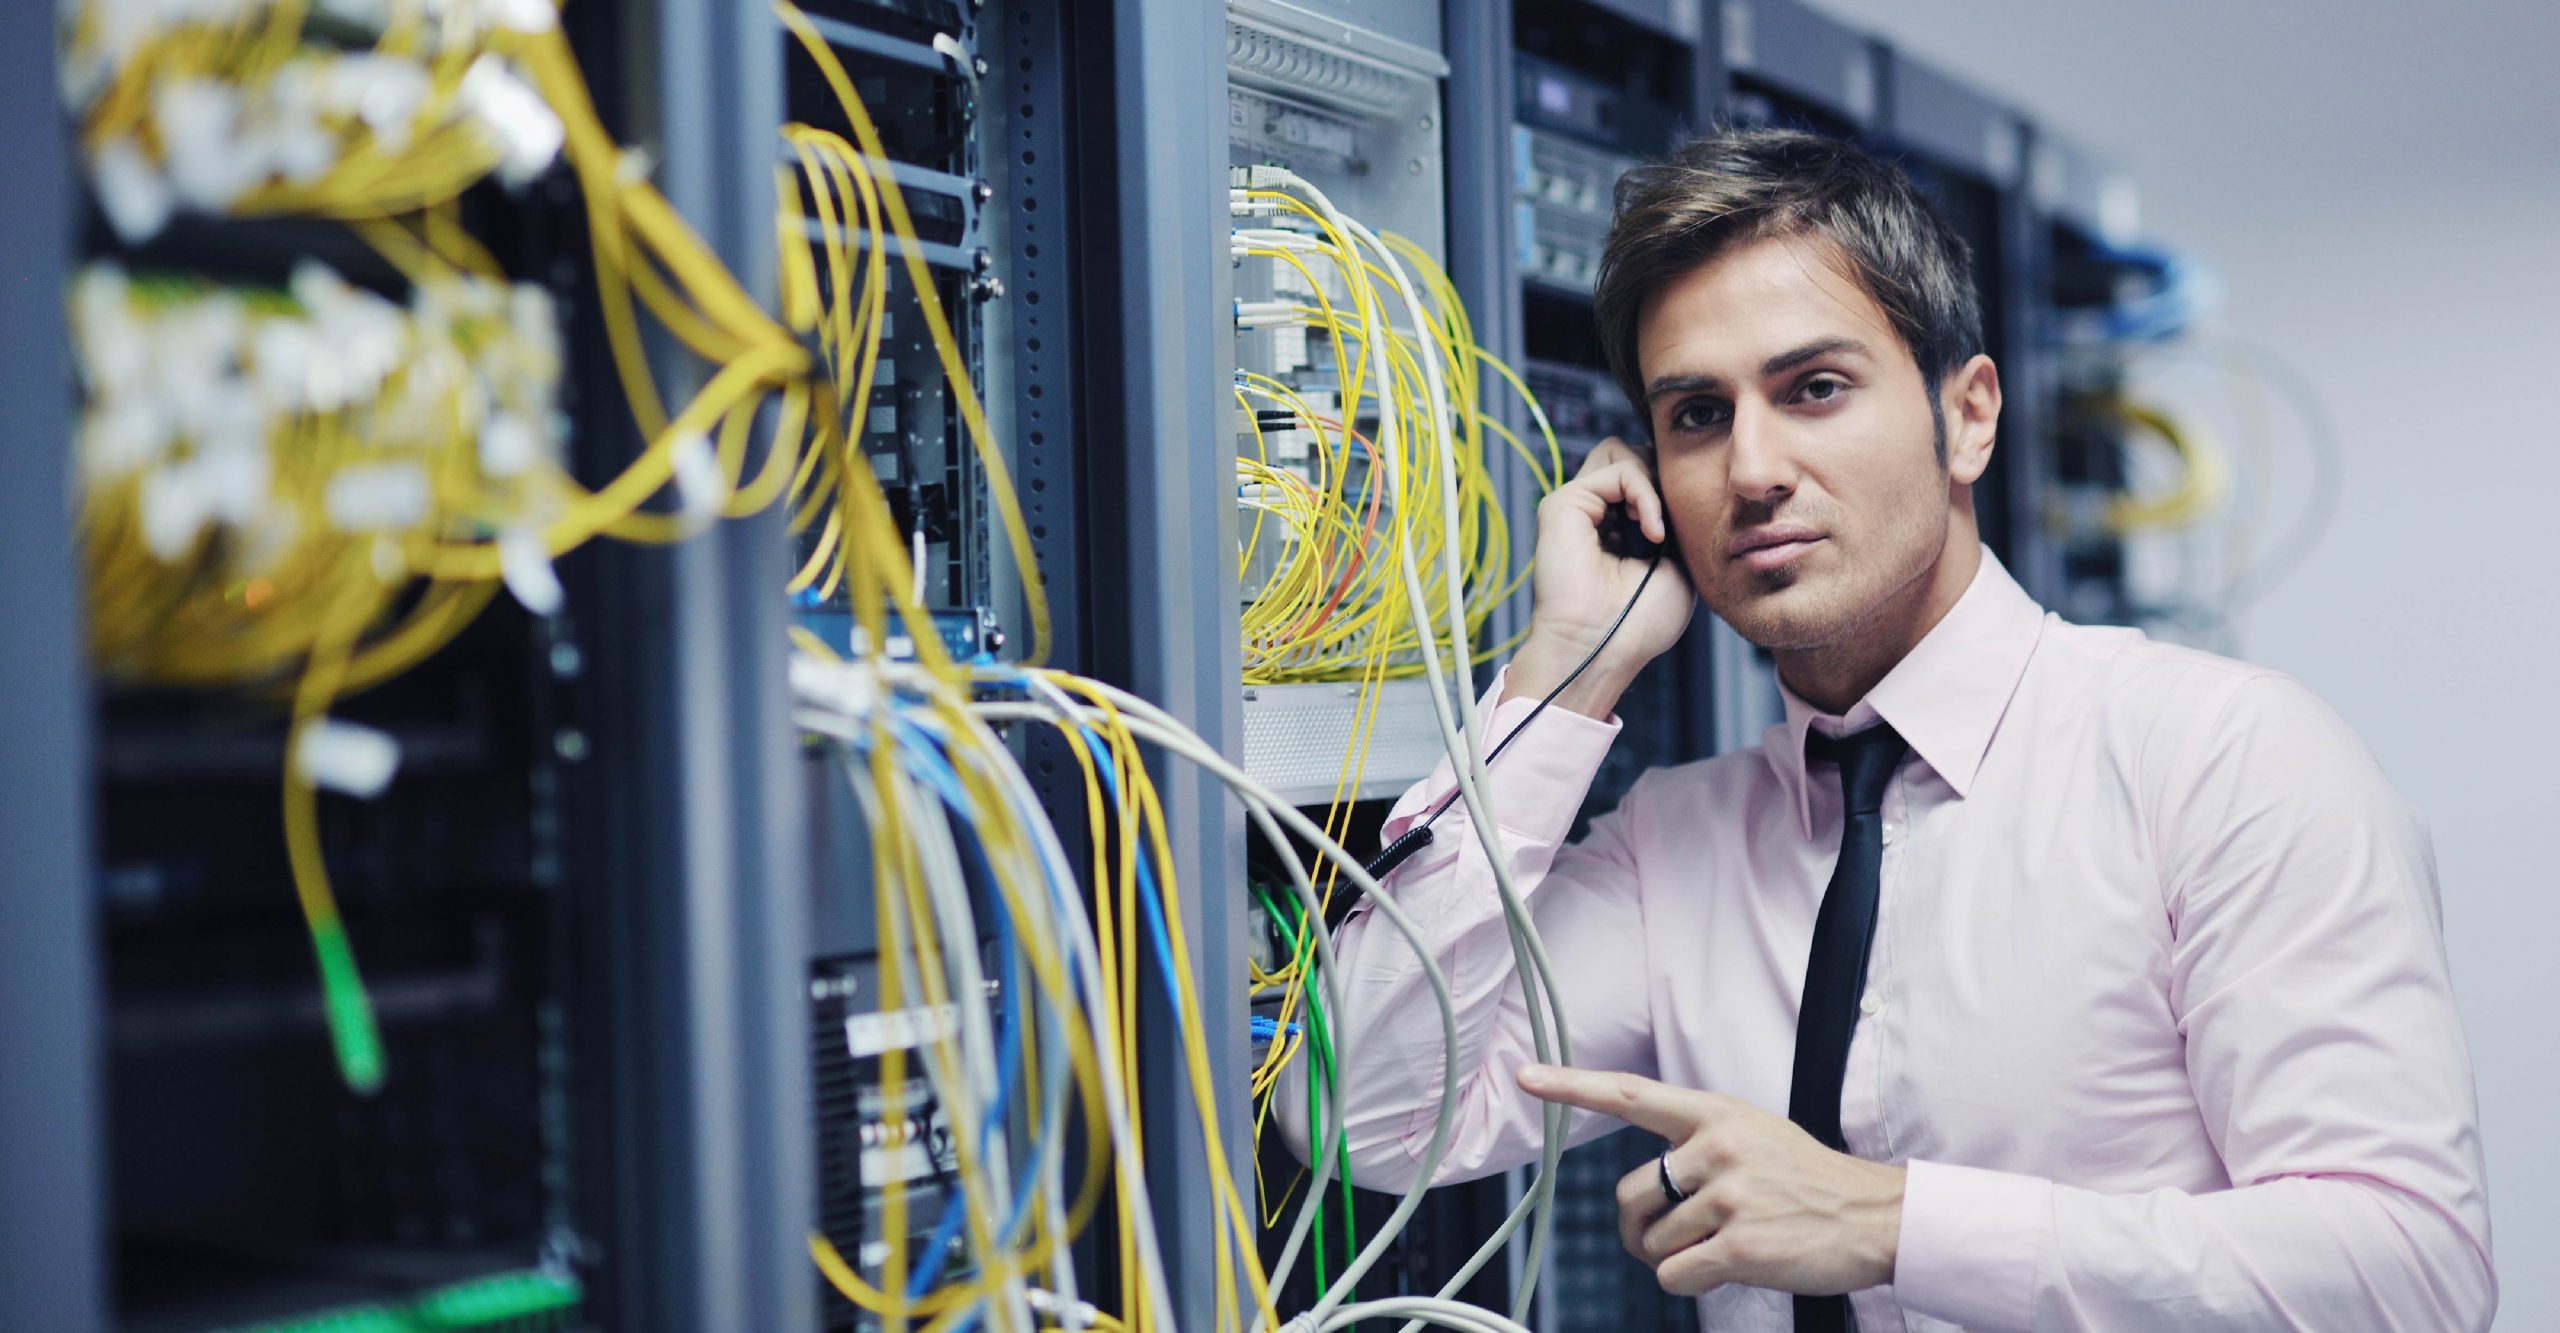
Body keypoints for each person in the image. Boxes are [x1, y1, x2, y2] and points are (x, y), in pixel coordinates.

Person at [1284, 129, 2494, 1331]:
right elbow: (1364, 1118)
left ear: (1966, 417)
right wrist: (1562, 673)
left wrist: (1890, 1225)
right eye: (1697, 415)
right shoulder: (1677, 844)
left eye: (1813, 388)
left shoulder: (2220, 759)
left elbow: (2408, 1272)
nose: (1752, 469)